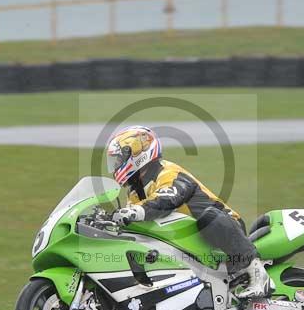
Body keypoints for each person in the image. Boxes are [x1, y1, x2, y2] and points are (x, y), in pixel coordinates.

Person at [106, 125, 271, 298]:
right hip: (189, 242)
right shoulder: (134, 192)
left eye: (119, 159)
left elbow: (167, 199)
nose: (116, 165)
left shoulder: (168, 172)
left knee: (209, 217)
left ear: (137, 154)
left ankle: (258, 273)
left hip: (223, 228)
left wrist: (136, 212)